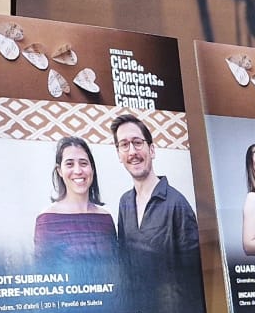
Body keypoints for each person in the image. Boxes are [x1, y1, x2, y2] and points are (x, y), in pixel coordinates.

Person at [112, 112, 200, 269]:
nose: (132, 152)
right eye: (124, 145)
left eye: (137, 142)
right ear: (119, 154)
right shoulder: (124, 202)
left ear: (152, 150)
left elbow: (193, 272)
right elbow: (124, 261)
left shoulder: (177, 204)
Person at [33, 135, 117, 266]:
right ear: (60, 171)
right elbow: (44, 275)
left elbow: (116, 268)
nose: (78, 171)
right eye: (70, 164)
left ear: (92, 169)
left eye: (83, 163)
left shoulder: (105, 218)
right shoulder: (47, 219)